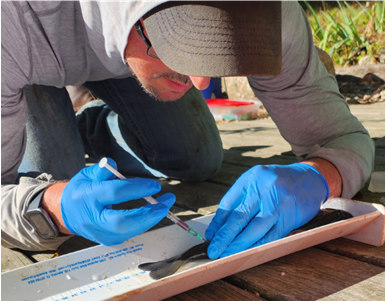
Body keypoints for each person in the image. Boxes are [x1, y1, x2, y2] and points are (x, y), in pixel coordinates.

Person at [1, 1, 374, 258]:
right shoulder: (13, 21)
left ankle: (94, 125)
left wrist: (321, 175)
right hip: (25, 66)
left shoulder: (272, 13)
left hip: (114, 49)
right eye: (182, 45)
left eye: (215, 49)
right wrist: (52, 210)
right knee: (50, 171)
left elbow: (341, 136)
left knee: (197, 155)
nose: (200, 80)